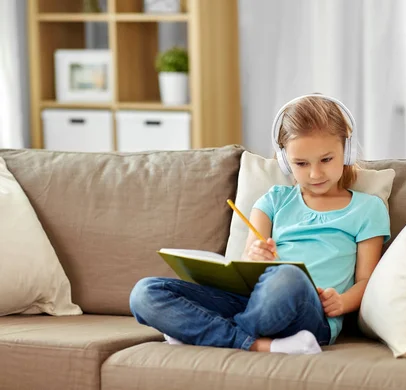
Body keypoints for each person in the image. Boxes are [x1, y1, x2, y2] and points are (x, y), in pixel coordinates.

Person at [129, 94, 391, 354]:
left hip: (312, 315)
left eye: (326, 160)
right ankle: (257, 344)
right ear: (285, 161)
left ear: (347, 151)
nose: (315, 173)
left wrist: (342, 302)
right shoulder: (273, 200)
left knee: (287, 275)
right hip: (252, 301)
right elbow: (247, 270)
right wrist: (254, 256)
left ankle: (204, 333)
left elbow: (367, 280)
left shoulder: (367, 209)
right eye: (301, 163)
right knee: (146, 292)